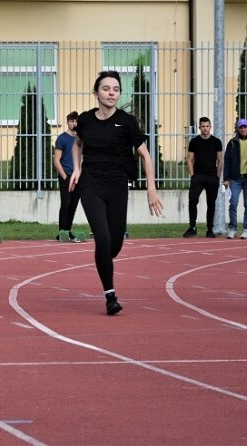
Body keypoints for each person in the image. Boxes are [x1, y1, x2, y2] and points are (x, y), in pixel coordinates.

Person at [69, 71, 164, 315]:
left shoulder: (127, 121)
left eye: (115, 89)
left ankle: (104, 258)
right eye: (106, 88)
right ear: (96, 93)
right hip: (91, 185)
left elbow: (145, 155)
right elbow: (77, 144)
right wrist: (77, 170)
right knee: (102, 238)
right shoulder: (86, 120)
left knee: (113, 246)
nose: (111, 93)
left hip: (118, 185)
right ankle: (110, 295)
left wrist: (151, 189)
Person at [183, 117, 223, 238]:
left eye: (207, 126)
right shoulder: (194, 142)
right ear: (199, 127)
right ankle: (192, 227)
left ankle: (209, 229)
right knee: (193, 200)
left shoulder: (216, 142)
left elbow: (220, 160)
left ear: (210, 127)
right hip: (198, 176)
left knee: (211, 204)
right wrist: (192, 175)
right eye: (203, 126)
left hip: (212, 176)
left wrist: (217, 176)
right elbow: (189, 159)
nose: (205, 128)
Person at [53, 111, 82, 242]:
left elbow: (82, 157)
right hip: (66, 176)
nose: (74, 123)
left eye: (76, 121)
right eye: (71, 121)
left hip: (77, 177)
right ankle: (61, 232)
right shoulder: (62, 138)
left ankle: (68, 231)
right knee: (66, 203)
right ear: (67, 122)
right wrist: (65, 177)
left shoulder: (81, 139)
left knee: (73, 205)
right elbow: (56, 160)